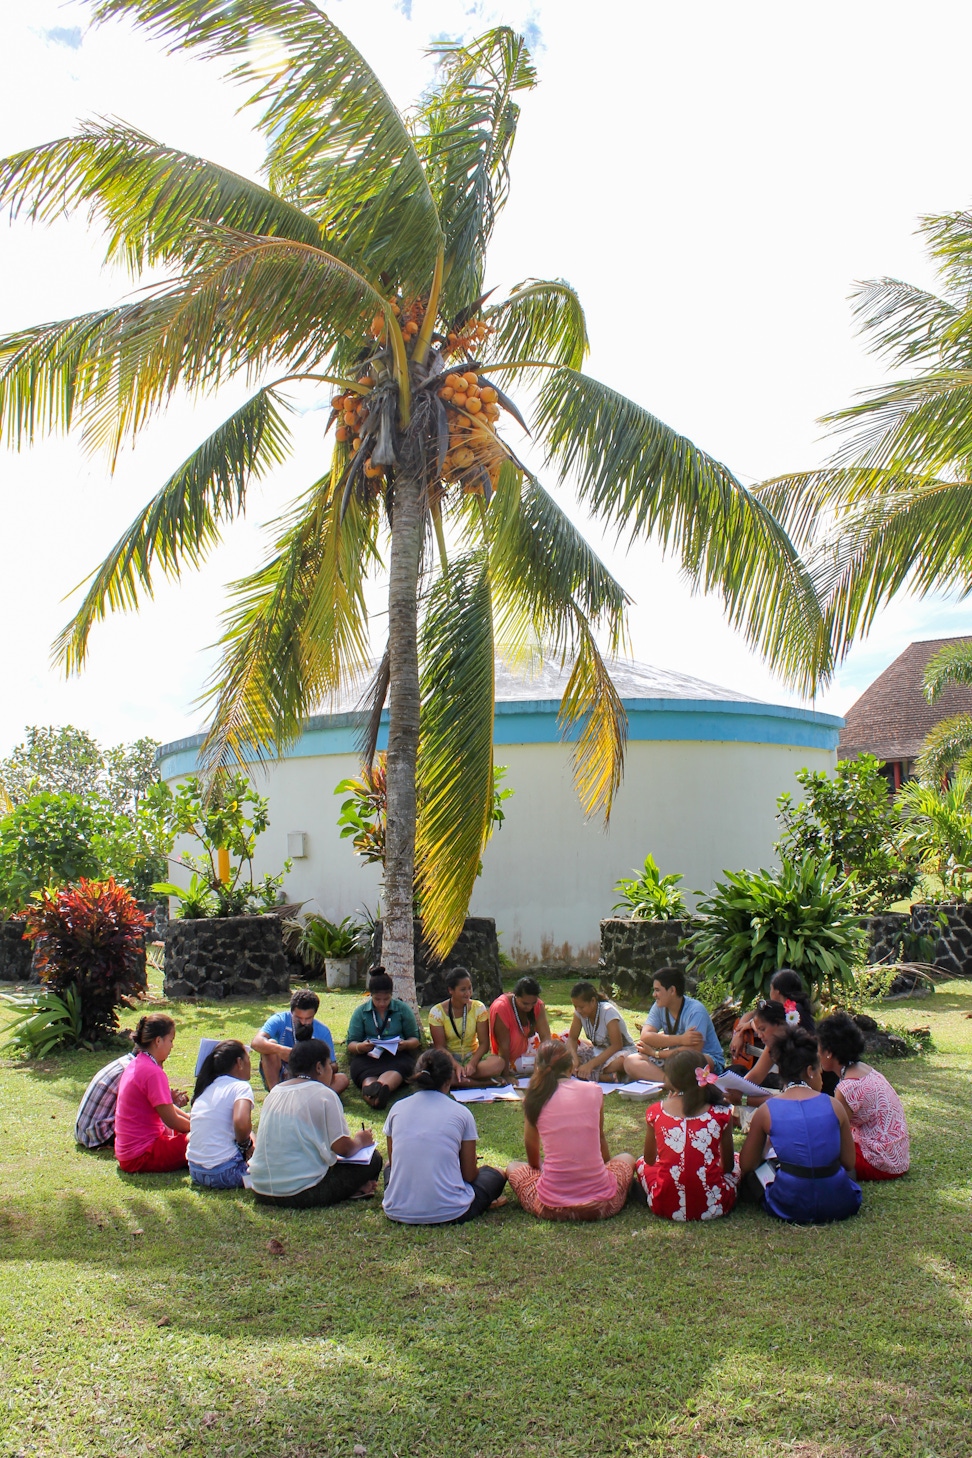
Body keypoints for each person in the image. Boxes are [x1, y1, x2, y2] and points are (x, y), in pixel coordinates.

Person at [739, 1027, 862, 1224]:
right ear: (810, 1070)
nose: (821, 1075)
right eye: (819, 1069)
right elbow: (849, 1162)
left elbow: (747, 1165)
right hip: (839, 1202)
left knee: (759, 1174)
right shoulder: (834, 1105)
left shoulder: (766, 1110)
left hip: (789, 1203)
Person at [506, 1039, 635, 1220]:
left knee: (513, 1167)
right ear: (571, 1066)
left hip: (550, 1206)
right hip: (601, 1205)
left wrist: (546, 1172)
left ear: (538, 1068)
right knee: (626, 1158)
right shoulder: (593, 1090)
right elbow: (600, 1139)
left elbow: (533, 1160)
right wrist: (606, 1168)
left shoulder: (533, 1099)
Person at [248, 1038, 382, 1206]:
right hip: (300, 1192)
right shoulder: (324, 1094)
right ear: (319, 1067)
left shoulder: (274, 1092)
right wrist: (361, 1141)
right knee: (374, 1158)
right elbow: (344, 1148)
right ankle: (358, 1188)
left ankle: (357, 1188)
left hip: (260, 1190)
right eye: (329, 1066)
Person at [382, 1049, 508, 1224]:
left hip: (396, 1209)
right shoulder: (462, 1113)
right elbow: (469, 1176)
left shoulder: (396, 1109)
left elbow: (394, 1163)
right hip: (452, 1211)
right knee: (497, 1174)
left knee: (388, 1166)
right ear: (449, 1080)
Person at [633, 1050, 738, 1220]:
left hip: (664, 1204)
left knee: (640, 1163)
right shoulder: (722, 1113)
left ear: (672, 1080)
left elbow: (649, 1160)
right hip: (714, 1206)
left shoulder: (656, 1112)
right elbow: (728, 1167)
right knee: (738, 1160)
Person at [817, 1013, 910, 1180]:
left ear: (829, 1052)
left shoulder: (848, 1087)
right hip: (897, 1155)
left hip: (881, 1162)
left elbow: (833, 1131)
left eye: (818, 1048)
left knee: (818, 1153)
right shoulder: (865, 1070)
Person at [114, 1014, 191, 1174]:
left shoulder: (138, 1062)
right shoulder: (152, 1072)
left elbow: (167, 1108)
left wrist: (194, 1121)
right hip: (141, 1155)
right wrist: (204, 1128)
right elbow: (172, 1120)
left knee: (197, 1130)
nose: (172, 1046)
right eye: (170, 1040)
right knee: (202, 1139)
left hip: (128, 1153)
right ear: (158, 1041)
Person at [622, 967, 725, 1082]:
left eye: (657, 990)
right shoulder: (659, 1007)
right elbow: (645, 1036)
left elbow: (693, 1050)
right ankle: (669, 1082)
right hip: (673, 1059)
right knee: (630, 1061)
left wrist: (656, 1053)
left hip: (700, 1060)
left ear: (672, 990)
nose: (654, 995)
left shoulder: (696, 1011)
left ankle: (669, 1079)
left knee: (688, 1060)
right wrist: (681, 1039)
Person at [345, 969, 421, 1109]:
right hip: (368, 1057)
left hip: (396, 1055)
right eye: (377, 999)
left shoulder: (402, 1009)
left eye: (386, 999)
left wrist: (405, 1044)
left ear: (391, 995)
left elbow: (415, 1039)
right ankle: (375, 1092)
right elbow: (351, 1043)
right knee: (364, 1074)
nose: (382, 1003)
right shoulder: (361, 1012)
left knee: (399, 1068)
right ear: (371, 995)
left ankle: (379, 1091)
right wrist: (360, 1047)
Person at [252, 988, 349, 1095]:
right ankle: (275, 1095)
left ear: (314, 1014)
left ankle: (308, 1099)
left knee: (342, 1079)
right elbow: (256, 1042)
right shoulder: (279, 1020)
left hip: (310, 1077)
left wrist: (315, 1064)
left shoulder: (322, 1031)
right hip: (283, 1073)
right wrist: (281, 1050)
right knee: (270, 1045)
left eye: (308, 1018)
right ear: (291, 1011)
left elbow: (333, 1066)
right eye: (298, 1018)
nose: (303, 1022)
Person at [186, 1040, 255, 1190]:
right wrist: (247, 1145)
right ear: (239, 1062)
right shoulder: (240, 1087)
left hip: (196, 1171)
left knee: (251, 1135)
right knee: (266, 1169)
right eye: (248, 1059)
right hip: (223, 1173)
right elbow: (241, 1122)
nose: (251, 1064)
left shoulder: (206, 1087)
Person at [427, 969, 506, 1085]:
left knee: (499, 1063)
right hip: (449, 1060)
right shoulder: (437, 1012)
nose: (468, 993)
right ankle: (484, 1083)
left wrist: (473, 1063)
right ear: (451, 990)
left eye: (470, 988)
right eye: (463, 990)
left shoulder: (478, 1008)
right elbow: (440, 1047)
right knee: (437, 1072)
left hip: (473, 1056)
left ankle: (460, 1080)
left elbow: (484, 1044)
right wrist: (456, 1065)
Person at [728, 968, 815, 1074]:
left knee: (736, 1072)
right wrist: (739, 1033)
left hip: (800, 1070)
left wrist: (750, 1024)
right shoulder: (783, 1008)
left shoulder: (793, 1013)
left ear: (777, 992)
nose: (761, 1035)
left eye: (770, 989)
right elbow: (751, 1014)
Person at [566, 980, 636, 1082]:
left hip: (621, 1052)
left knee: (621, 1062)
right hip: (599, 1051)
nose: (578, 1010)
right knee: (567, 1060)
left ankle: (597, 1075)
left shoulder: (608, 1012)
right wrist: (574, 1059)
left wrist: (590, 1064)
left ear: (593, 1001)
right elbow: (572, 1038)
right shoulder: (579, 1013)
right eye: (575, 1007)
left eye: (581, 1007)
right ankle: (605, 1076)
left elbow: (617, 1045)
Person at [489, 977, 552, 1075]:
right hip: (509, 1059)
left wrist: (543, 1059)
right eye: (525, 1003)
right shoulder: (501, 1008)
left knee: (564, 1044)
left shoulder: (538, 1005)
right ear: (516, 996)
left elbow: (546, 1037)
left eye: (533, 1003)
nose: (530, 1007)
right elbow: (503, 1047)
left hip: (529, 1049)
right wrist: (506, 1076)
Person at [74, 1050, 135, 1149]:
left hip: (84, 1132)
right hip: (99, 1135)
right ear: (156, 1042)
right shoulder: (132, 1070)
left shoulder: (123, 1062)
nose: (170, 1046)